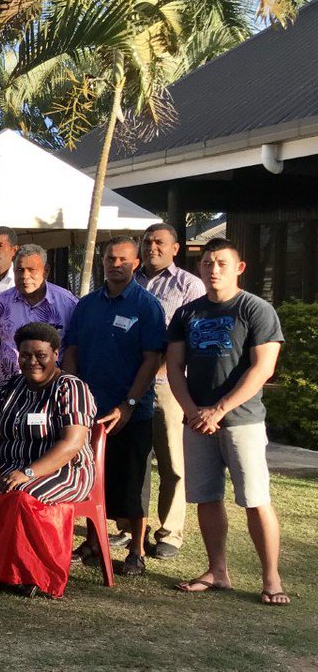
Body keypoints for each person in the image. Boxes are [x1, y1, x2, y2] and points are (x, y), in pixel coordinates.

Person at [167, 238, 288, 605]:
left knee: (254, 498)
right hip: (197, 422)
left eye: (221, 262)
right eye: (206, 263)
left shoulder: (256, 309)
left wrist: (218, 410)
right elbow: (173, 366)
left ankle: (271, 578)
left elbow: (263, 367)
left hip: (241, 421)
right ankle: (217, 570)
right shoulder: (187, 314)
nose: (213, 269)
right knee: (206, 497)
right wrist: (191, 411)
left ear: (239, 267)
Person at [0, 322, 96, 599]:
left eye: (40, 355)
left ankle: (33, 574)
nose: (32, 361)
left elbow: (72, 444)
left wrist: (29, 472)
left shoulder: (70, 388)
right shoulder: (9, 387)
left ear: (55, 354)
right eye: (25, 355)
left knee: (23, 497)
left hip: (64, 469)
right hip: (12, 467)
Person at [62, 237, 165, 576]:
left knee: (133, 482)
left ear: (136, 263)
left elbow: (152, 359)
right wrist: (74, 393)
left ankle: (136, 551)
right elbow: (72, 351)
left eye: (123, 259)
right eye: (110, 258)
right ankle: (94, 542)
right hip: (88, 412)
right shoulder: (87, 305)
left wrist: (129, 403)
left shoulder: (147, 306)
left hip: (131, 411)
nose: (115, 264)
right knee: (91, 479)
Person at [135, 222, 205, 560]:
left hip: (168, 385)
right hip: (130, 383)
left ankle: (170, 533)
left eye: (160, 242)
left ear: (175, 248)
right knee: (134, 456)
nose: (152, 248)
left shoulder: (189, 286)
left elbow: (191, 339)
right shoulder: (128, 280)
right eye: (147, 242)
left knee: (171, 460)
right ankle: (128, 526)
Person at [0, 243, 77, 387]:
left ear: (45, 271)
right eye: (19, 270)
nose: (24, 276)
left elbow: (74, 348)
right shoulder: (1, 302)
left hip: (52, 390)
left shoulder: (67, 303)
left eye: (31, 270)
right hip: (9, 390)